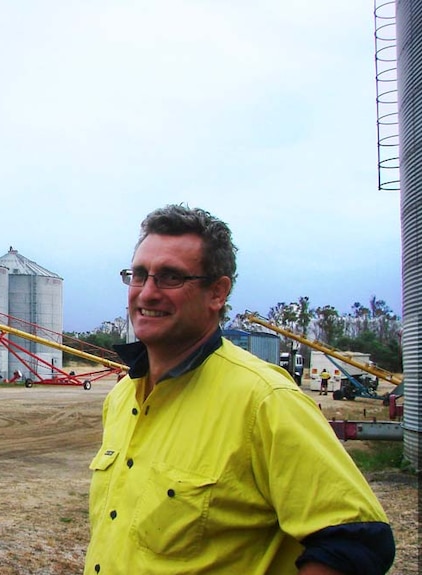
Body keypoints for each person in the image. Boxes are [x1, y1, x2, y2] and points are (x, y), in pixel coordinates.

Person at [84, 205, 394, 575]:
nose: (147, 293)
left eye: (170, 277)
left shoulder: (265, 400)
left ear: (217, 292)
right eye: (138, 275)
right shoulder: (123, 397)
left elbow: (356, 542)